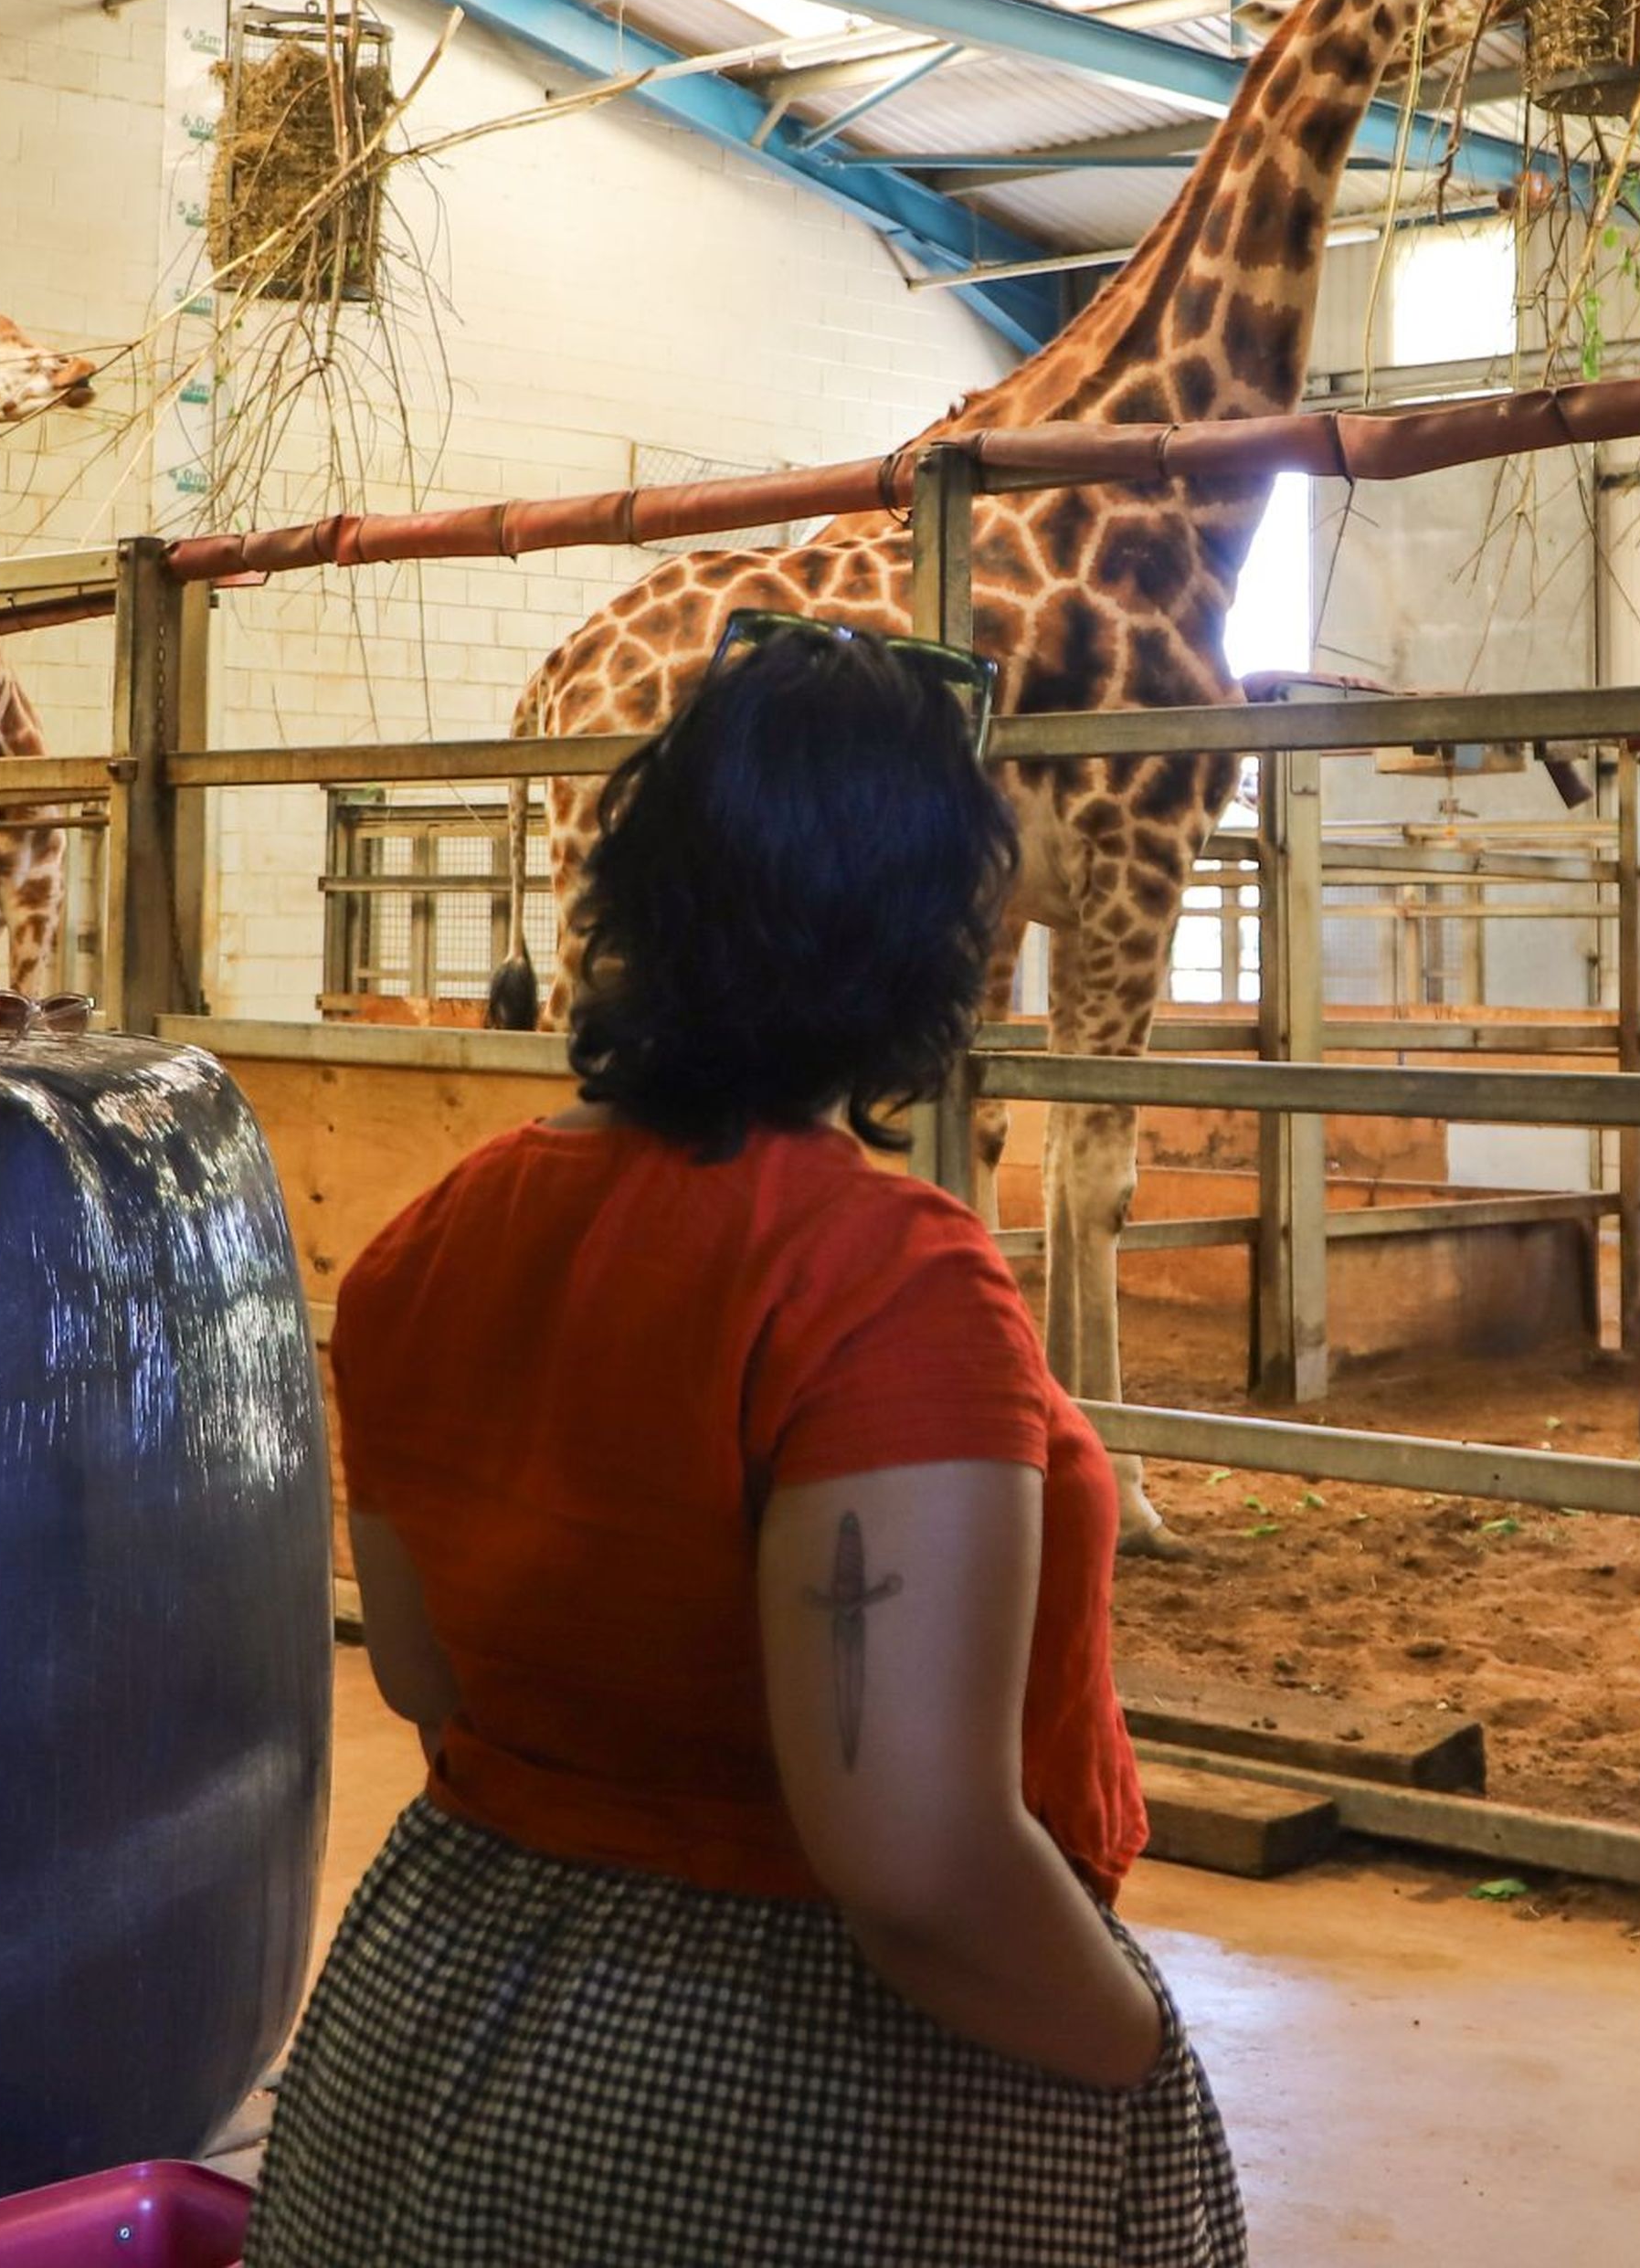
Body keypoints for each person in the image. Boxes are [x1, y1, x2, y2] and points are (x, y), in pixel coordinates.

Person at [249, 612, 1245, 2268]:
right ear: (918, 936)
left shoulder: (431, 1242)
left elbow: (428, 1677)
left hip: (429, 2027)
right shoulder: (887, 1283)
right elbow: (916, 1866)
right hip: (793, 2082)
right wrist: (1137, 2051)